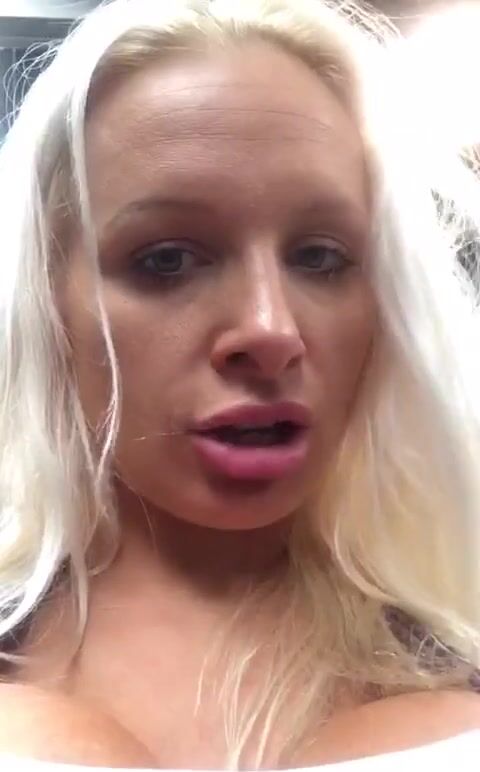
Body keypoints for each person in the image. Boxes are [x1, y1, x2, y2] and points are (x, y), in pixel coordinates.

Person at [0, 0, 480, 769]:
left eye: (320, 257)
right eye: (167, 259)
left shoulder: (459, 651)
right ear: (48, 301)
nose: (270, 330)